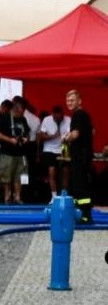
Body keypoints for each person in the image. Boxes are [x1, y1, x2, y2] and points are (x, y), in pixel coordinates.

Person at [63, 89, 95, 221]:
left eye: (72, 100)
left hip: (80, 157)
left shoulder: (78, 115)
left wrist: (65, 138)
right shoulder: (84, 115)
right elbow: (93, 132)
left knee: (79, 187)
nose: (69, 103)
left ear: (79, 101)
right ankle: (79, 214)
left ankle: (85, 216)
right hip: (84, 156)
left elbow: (75, 134)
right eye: (68, 100)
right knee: (77, 186)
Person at [0, 99, 30, 203]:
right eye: (21, 111)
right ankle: (7, 196)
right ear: (16, 109)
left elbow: (27, 133)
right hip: (7, 152)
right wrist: (9, 140)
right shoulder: (5, 118)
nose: (22, 113)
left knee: (20, 175)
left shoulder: (23, 119)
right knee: (6, 176)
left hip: (21, 153)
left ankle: (17, 197)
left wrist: (26, 139)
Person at [38, 103, 70, 195]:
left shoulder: (68, 120)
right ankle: (54, 196)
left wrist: (66, 138)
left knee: (65, 172)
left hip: (63, 148)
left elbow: (70, 134)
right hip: (49, 149)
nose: (58, 119)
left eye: (60, 117)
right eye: (56, 118)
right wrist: (53, 136)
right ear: (52, 115)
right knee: (52, 172)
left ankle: (64, 195)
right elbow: (41, 136)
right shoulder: (46, 120)